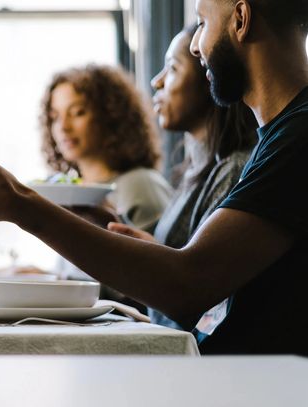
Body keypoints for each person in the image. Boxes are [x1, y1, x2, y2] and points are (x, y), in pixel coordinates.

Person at [0, 0, 308, 354]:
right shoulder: (275, 139)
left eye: (203, 23)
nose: (193, 45)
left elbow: (188, 285)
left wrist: (20, 205)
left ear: (240, 20)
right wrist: (152, 251)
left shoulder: (298, 137)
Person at [108, 24, 257, 329]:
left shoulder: (233, 170)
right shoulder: (194, 171)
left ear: (208, 78)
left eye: (173, 68)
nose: (156, 80)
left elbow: (200, 294)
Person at [40, 64, 172, 233]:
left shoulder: (140, 184)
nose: (63, 127)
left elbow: (157, 257)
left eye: (78, 112)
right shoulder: (70, 193)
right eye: (55, 117)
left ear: (109, 114)